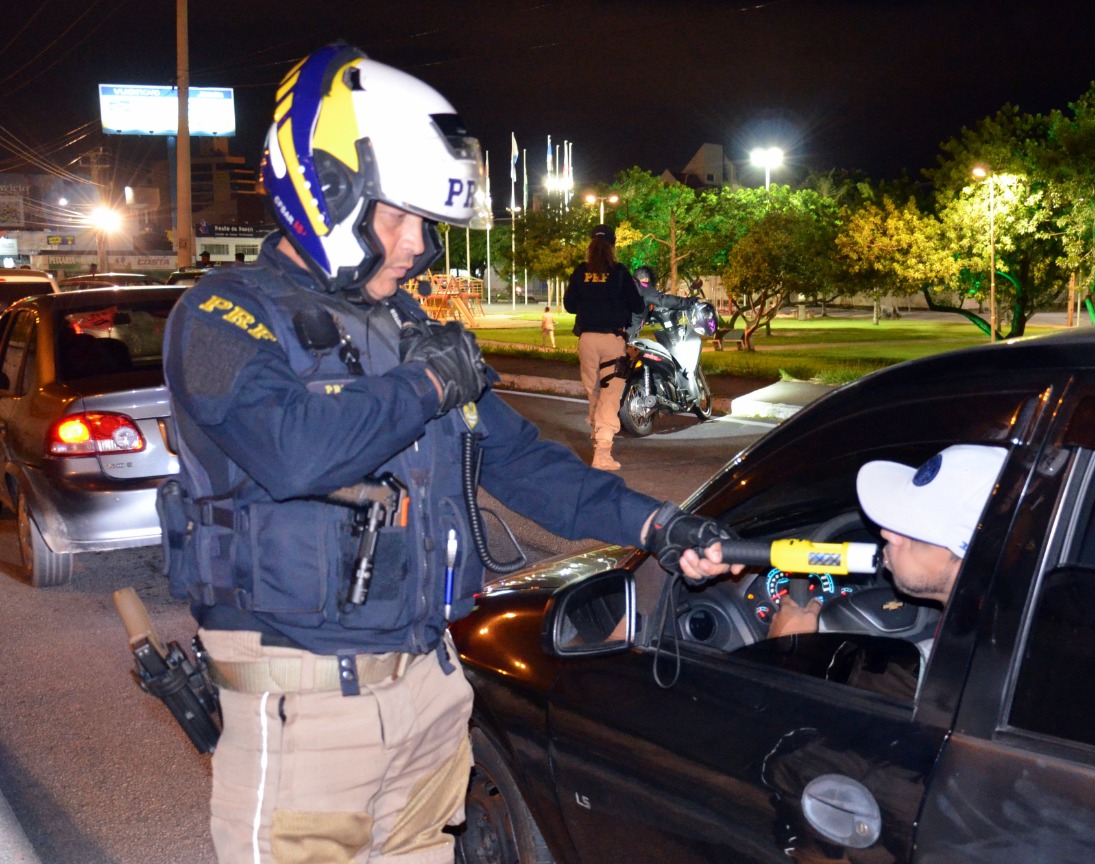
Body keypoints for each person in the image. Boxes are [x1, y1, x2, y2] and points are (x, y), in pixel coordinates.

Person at [160, 43, 736, 864]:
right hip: (307, 708)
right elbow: (295, 453)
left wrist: (659, 525)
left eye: (426, 222)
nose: (419, 244)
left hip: (430, 687)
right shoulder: (221, 317)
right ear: (324, 192)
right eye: (400, 216)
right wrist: (431, 382)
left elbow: (524, 463)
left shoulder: (409, 332)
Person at [768, 443, 1007, 657]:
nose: (886, 533)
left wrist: (789, 651)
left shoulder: (949, 668)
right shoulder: (1003, 621)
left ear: (972, 557)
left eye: (913, 531)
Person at [563, 224, 644, 470]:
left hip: (587, 340)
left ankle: (596, 439)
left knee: (595, 392)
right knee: (610, 396)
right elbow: (637, 305)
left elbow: (569, 305)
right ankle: (602, 452)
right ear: (613, 246)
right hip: (612, 341)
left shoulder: (580, 272)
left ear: (590, 246)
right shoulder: (619, 273)